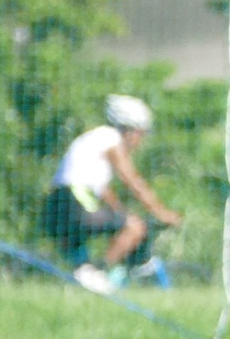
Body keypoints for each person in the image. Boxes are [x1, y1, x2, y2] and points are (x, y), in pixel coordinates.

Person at [44, 95, 182, 295]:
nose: (140, 141)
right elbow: (132, 179)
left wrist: (123, 215)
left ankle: (89, 275)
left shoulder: (92, 141)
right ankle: (99, 274)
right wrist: (160, 212)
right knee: (136, 227)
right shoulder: (109, 138)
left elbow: (105, 193)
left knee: (127, 225)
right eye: (140, 134)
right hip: (74, 202)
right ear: (129, 129)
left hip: (57, 207)